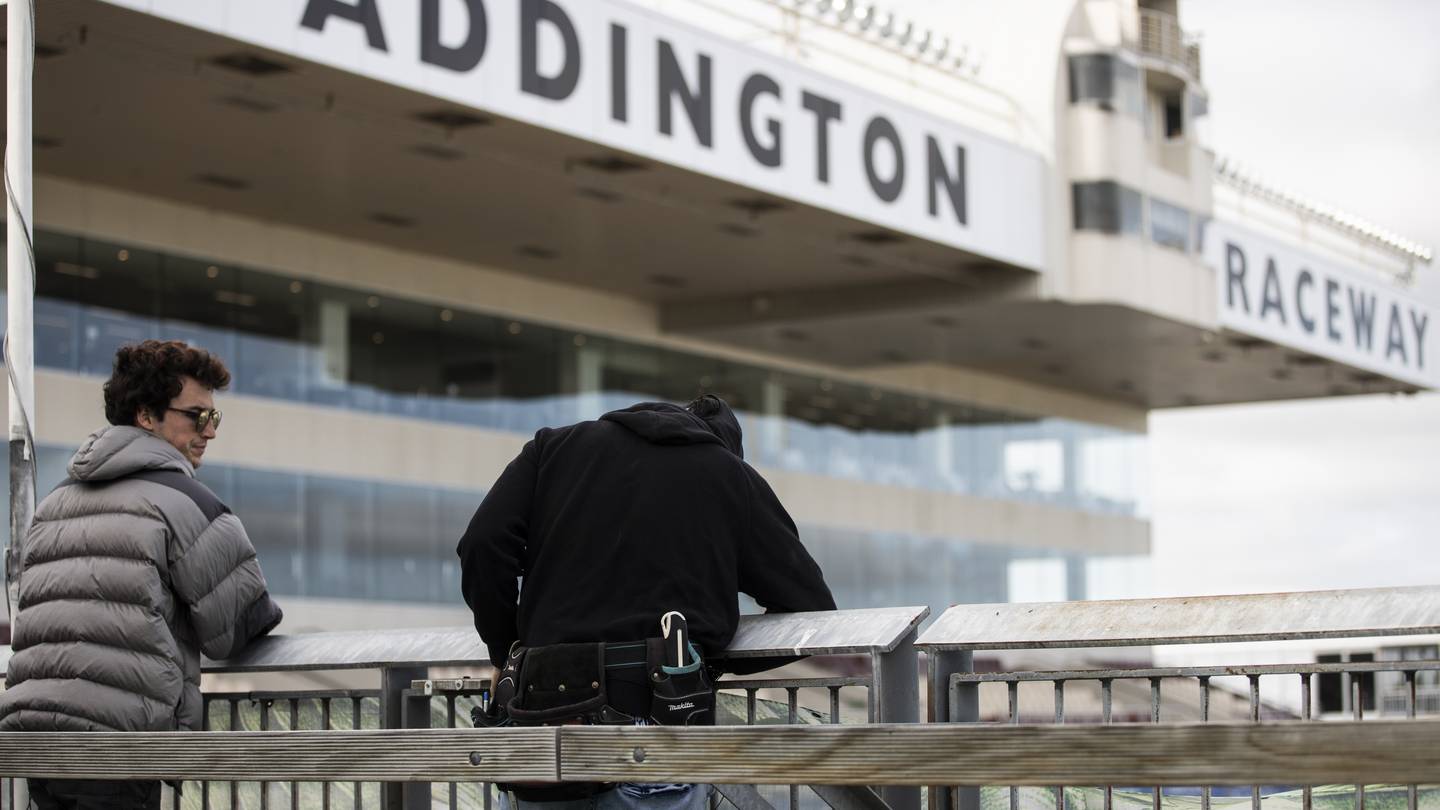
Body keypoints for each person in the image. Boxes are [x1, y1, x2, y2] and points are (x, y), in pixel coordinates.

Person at [457, 394, 835, 810]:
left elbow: (483, 544)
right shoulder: (729, 474)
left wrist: (505, 649)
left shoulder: (554, 447)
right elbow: (810, 608)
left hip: (544, 723)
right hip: (654, 722)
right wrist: (696, 661)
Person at [0, 339, 284, 810]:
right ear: (146, 416)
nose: (209, 431)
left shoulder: (53, 504)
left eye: (214, 417)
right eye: (197, 416)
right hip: (122, 748)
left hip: (36, 744)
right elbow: (237, 629)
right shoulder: (187, 504)